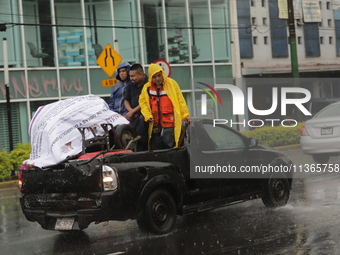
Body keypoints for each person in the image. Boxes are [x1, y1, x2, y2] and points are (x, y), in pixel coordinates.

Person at [139, 63, 190, 150]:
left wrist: (185, 115)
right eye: (154, 77)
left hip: (169, 123)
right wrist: (147, 115)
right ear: (151, 78)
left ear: (162, 74)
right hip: (155, 124)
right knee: (156, 147)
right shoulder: (147, 88)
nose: (157, 79)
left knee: (170, 146)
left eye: (159, 75)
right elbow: (143, 103)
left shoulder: (172, 84)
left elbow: (180, 100)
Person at [124, 64, 148, 150]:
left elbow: (146, 101)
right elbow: (126, 100)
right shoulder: (131, 84)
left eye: (133, 76)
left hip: (145, 116)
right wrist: (131, 111)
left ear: (141, 74)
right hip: (133, 116)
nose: (131, 78)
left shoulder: (148, 84)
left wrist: (133, 111)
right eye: (130, 76)